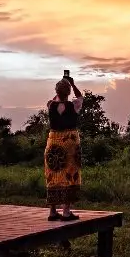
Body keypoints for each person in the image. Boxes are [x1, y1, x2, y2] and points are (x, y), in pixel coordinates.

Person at [45, 76, 83, 221]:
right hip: (70, 142)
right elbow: (80, 96)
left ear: (56, 91)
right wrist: (72, 84)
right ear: (68, 92)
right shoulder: (74, 105)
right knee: (70, 173)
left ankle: (53, 211)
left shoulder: (50, 105)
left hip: (53, 142)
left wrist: (61, 89)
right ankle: (66, 211)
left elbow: (56, 99)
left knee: (53, 174)